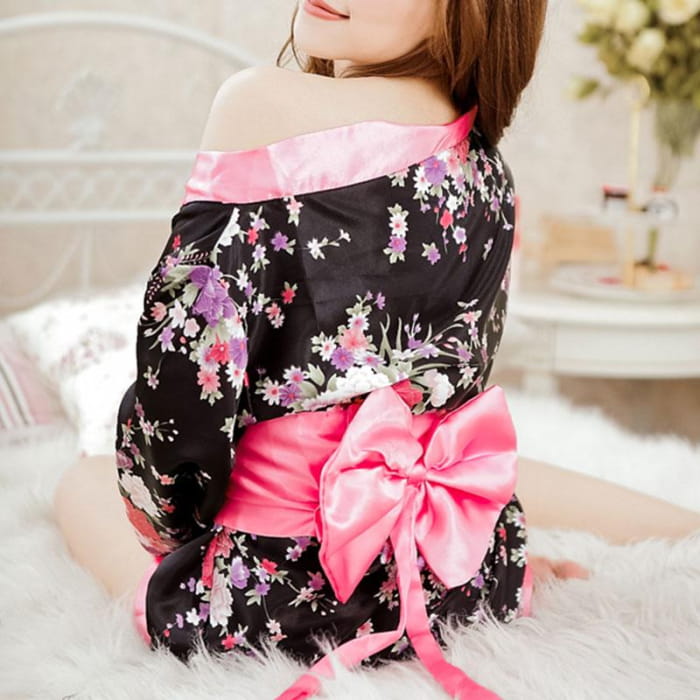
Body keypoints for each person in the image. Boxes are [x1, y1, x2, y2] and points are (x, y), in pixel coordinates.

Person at [53, 1, 700, 698]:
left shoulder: (260, 104)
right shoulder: (490, 171)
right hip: (459, 571)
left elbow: (179, 403)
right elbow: (456, 394)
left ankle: (162, 599)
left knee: (81, 482)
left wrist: (176, 533)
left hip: (273, 601)